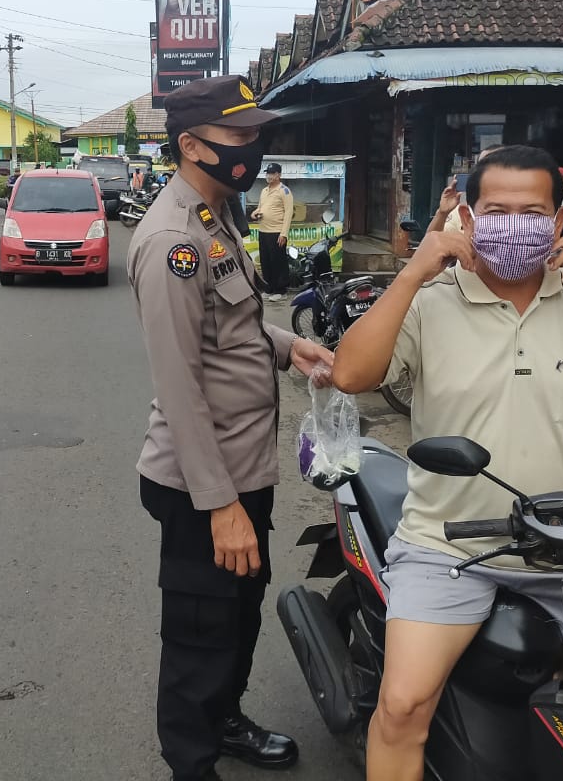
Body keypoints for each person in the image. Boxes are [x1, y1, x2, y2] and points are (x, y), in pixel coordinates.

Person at [331, 145, 563, 781]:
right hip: (445, 548)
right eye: (495, 210)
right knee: (401, 707)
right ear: (469, 220)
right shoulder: (432, 299)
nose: (515, 224)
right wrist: (412, 273)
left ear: (560, 223)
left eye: (532, 211)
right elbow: (351, 372)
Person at [129, 75, 335, 781]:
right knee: (201, 633)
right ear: (191, 145)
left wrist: (288, 344)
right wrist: (219, 508)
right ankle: (192, 760)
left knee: (238, 616)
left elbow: (232, 324)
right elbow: (179, 383)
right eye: (239, 136)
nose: (253, 147)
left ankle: (224, 720)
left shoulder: (215, 215)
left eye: (256, 134)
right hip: (200, 484)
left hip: (243, 468)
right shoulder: (170, 240)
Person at [251, 163, 294, 301]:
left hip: (276, 232)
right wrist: (255, 214)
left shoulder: (284, 191)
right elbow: (260, 208)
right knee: (266, 261)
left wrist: (284, 234)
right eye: (267, 173)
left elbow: (288, 213)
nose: (268, 176)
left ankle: (280, 290)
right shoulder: (264, 191)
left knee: (277, 262)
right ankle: (268, 288)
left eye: (272, 173)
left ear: (278, 175)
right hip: (263, 230)